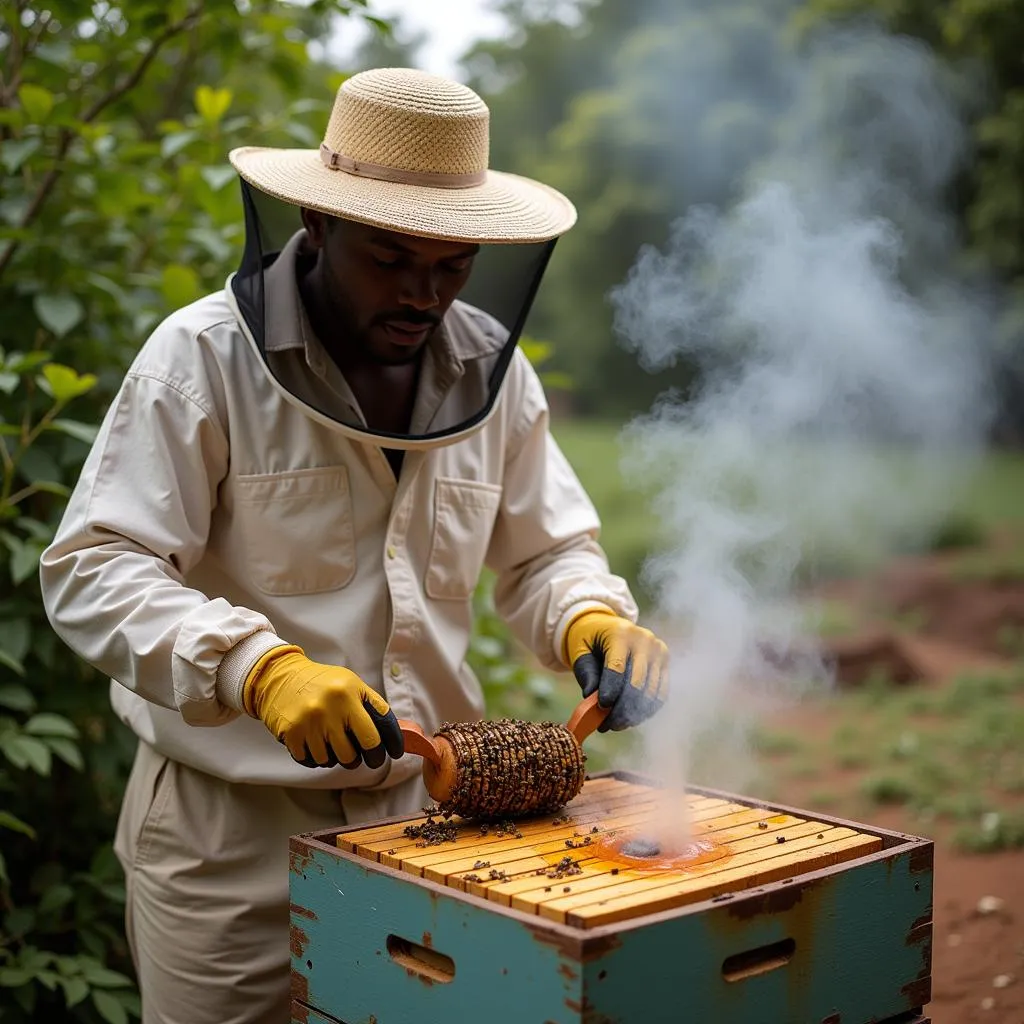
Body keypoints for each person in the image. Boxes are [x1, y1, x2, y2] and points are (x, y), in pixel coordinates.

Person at [39, 67, 670, 1024]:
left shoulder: (490, 370)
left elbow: (546, 552)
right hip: (227, 843)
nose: (426, 294)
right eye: (391, 257)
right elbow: (94, 567)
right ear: (319, 226)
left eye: (452, 262)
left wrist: (588, 611)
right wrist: (257, 669)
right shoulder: (200, 360)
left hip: (430, 821)